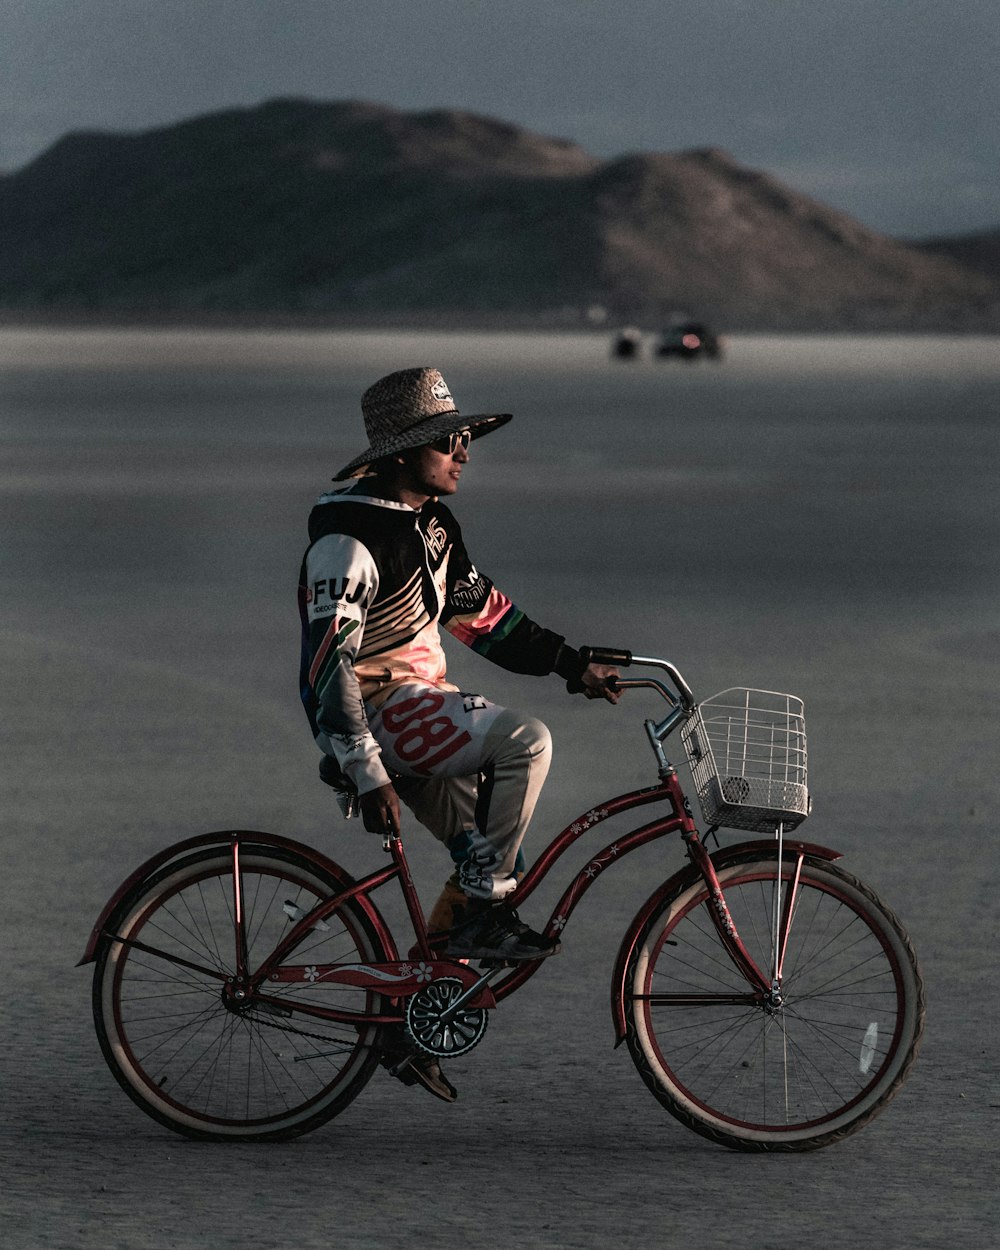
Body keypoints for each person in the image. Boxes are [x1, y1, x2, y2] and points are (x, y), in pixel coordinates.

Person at [297, 367, 619, 1100]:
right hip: (379, 716)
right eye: (448, 440)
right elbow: (325, 668)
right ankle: (482, 916)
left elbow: (487, 619)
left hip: (423, 708)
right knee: (525, 746)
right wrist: (364, 767)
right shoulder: (349, 539)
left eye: (465, 437)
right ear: (403, 453)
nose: (464, 450)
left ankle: (412, 1025)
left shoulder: (433, 526)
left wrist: (573, 664)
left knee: (489, 853)